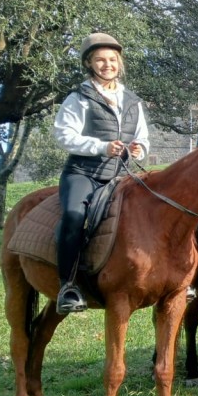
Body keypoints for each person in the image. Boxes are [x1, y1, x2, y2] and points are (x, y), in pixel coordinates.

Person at [53, 32, 149, 314]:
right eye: (100, 60)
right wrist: (101, 146)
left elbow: (143, 138)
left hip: (120, 176)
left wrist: (138, 150)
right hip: (83, 173)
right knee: (74, 216)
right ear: (89, 63)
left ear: (119, 62)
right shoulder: (79, 97)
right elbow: (63, 135)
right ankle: (67, 286)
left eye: (112, 60)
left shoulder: (132, 101)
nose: (107, 65)